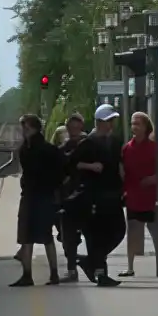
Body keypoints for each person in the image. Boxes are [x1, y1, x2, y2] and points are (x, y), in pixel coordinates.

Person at [65, 111, 125, 286]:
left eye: (113, 121)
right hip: (94, 195)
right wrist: (90, 166)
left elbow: (119, 163)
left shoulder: (114, 141)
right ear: (99, 121)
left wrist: (123, 179)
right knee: (97, 235)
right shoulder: (88, 143)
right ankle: (101, 274)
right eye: (108, 121)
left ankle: (90, 261)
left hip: (113, 193)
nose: (112, 124)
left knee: (119, 231)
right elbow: (70, 164)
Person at [11, 112, 66, 285]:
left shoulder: (25, 150)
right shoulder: (50, 149)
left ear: (32, 128)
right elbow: (62, 172)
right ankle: (54, 274)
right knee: (46, 237)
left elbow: (29, 172)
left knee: (26, 237)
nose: (23, 130)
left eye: (25, 127)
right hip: (46, 197)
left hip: (30, 197)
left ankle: (27, 276)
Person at [119, 113, 158, 276]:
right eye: (132, 124)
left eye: (138, 124)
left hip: (153, 199)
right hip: (133, 198)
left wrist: (155, 178)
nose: (134, 127)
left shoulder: (154, 148)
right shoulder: (126, 149)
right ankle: (130, 267)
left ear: (146, 127)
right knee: (132, 235)